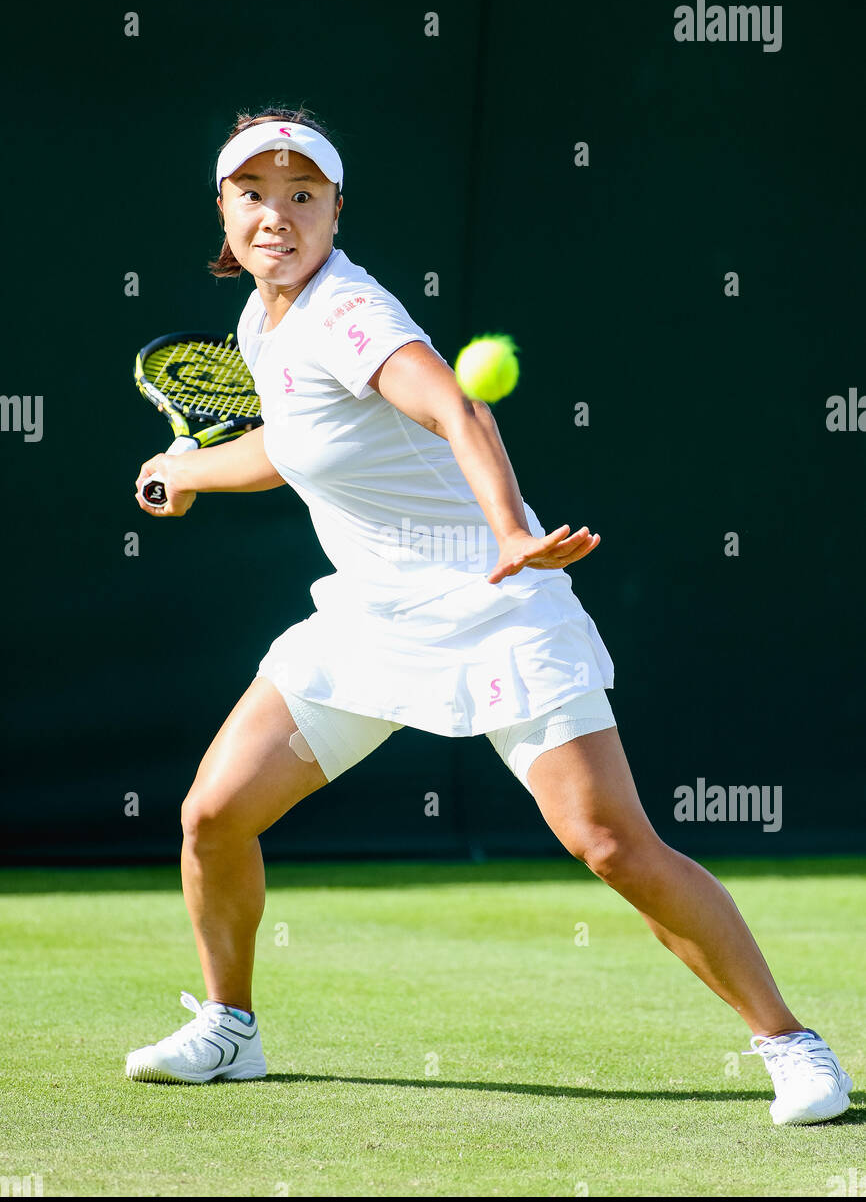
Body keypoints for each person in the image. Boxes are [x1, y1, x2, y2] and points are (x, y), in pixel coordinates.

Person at [128, 106, 851, 1126]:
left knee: (610, 843)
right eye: (255, 195)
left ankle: (790, 1042)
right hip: (368, 620)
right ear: (224, 209)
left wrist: (508, 530)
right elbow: (291, 446)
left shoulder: (348, 311)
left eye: (302, 196)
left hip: (495, 602)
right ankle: (229, 1028)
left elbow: (459, 408)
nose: (277, 216)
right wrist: (191, 468)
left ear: (336, 210)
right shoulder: (262, 319)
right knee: (214, 812)